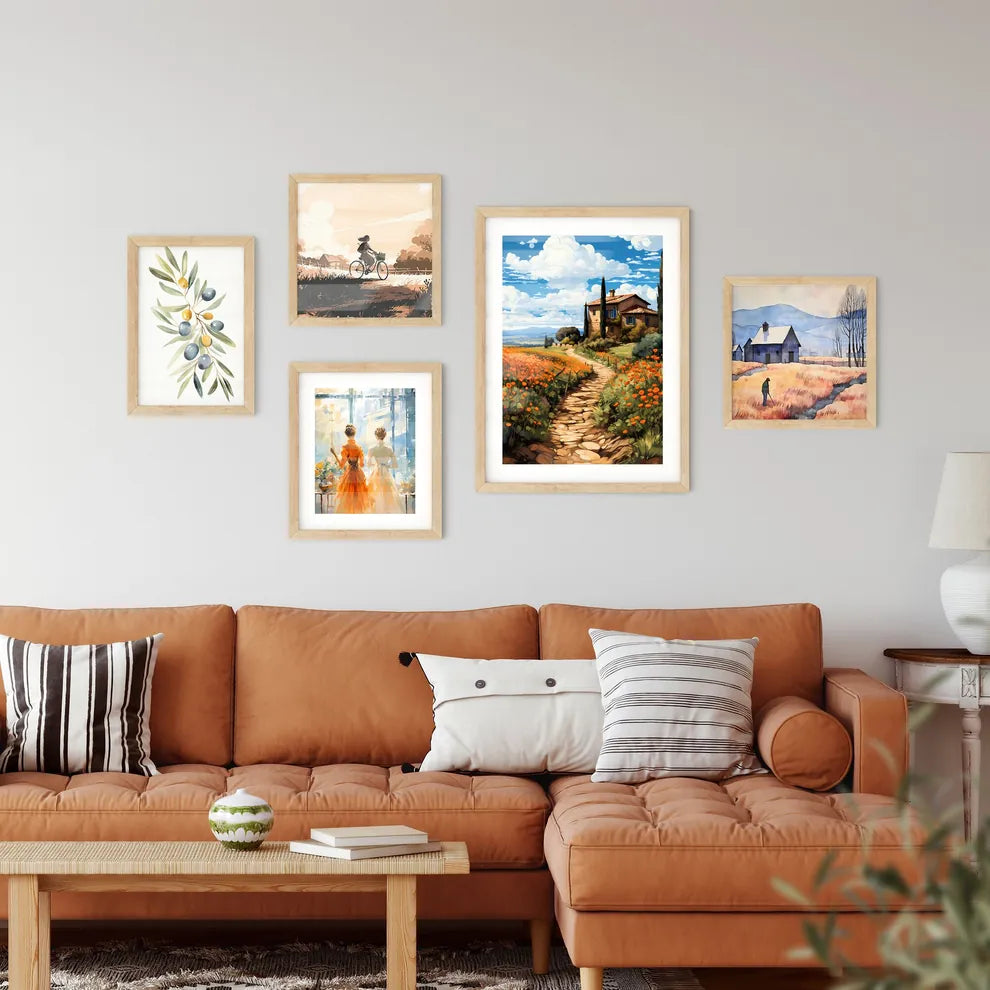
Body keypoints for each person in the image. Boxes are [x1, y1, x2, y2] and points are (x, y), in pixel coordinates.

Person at [334, 425, 371, 514]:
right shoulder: (358, 448)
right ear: (354, 434)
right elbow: (362, 465)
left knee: (347, 499)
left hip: (349, 474)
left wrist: (334, 454)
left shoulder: (345, 447)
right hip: (358, 474)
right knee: (359, 499)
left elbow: (341, 465)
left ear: (346, 435)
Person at [366, 427, 402, 513]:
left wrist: (377, 464)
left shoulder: (372, 449)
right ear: (384, 436)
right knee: (388, 494)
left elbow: (368, 464)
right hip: (385, 473)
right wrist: (386, 465)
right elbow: (395, 465)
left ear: (376, 436)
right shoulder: (389, 449)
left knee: (376, 493)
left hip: (376, 472)